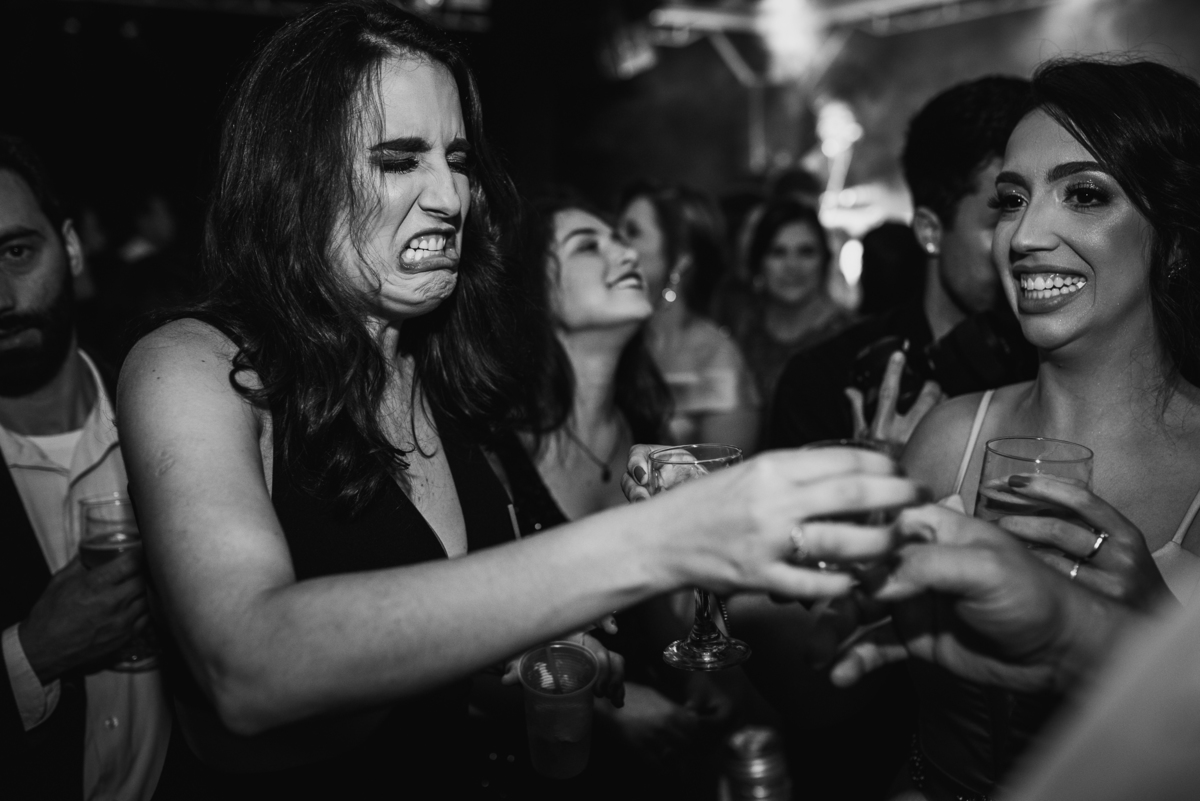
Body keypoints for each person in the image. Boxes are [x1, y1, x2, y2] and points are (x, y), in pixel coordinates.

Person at [115, 2, 926, 796]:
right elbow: (247, 666)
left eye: (457, 159)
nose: (449, 196)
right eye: (399, 159)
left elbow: (436, 643)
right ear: (294, 177)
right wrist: (658, 540)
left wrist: (520, 649)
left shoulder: (453, 383)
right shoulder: (190, 367)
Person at [899, 57, 1200, 800]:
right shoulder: (948, 438)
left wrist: (1153, 627)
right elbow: (833, 694)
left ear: (1172, 226)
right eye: (1011, 199)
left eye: (1084, 194)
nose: (1025, 234)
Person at [0, 136, 170, 798]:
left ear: (70, 248)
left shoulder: (169, 419)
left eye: (17, 252)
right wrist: (31, 654)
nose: (1, 297)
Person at [767, 77, 1036, 451]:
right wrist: (883, 469)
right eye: (1007, 211)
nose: (1030, 239)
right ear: (930, 230)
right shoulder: (824, 384)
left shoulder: (1066, 372)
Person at [617, 182, 760, 453]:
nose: (615, 244)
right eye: (616, 231)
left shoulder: (716, 357)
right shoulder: (618, 340)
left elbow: (724, 471)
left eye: (632, 232)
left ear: (680, 258)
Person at [722, 199, 854, 416]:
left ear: (825, 260)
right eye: (778, 252)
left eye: (806, 252)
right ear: (759, 263)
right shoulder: (740, 329)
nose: (792, 266)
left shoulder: (850, 336)